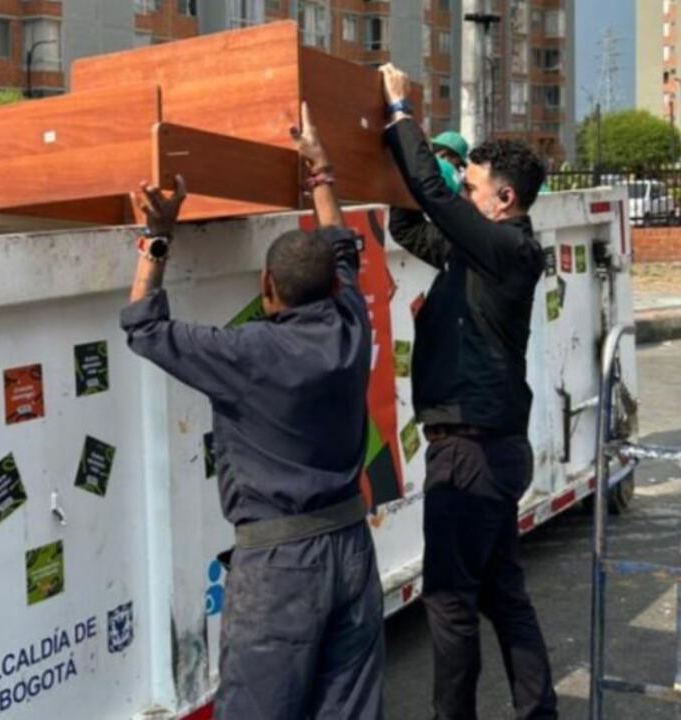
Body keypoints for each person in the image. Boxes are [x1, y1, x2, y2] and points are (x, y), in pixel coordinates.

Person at [120, 103, 383, 719]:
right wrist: (322, 174)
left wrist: (157, 235)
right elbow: (344, 249)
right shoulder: (352, 324)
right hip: (350, 548)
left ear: (266, 288)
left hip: (282, 568)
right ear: (335, 290)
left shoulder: (247, 353)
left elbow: (143, 326)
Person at [379, 62, 558, 720]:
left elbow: (434, 194)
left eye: (473, 183)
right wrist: (393, 160)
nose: (463, 188)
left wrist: (400, 110)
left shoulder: (507, 250)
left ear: (501, 199)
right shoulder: (475, 253)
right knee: (503, 594)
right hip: (489, 450)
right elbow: (410, 225)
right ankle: (539, 712)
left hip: (474, 453)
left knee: (451, 603)